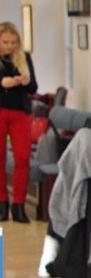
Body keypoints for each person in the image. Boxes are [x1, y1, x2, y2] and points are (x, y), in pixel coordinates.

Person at [0, 22, 37, 223]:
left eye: (13, 42)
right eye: (5, 42)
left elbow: (33, 88)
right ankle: (2, 204)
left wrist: (26, 81)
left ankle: (19, 206)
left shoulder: (24, 58)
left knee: (22, 158)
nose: (9, 46)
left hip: (21, 114)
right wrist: (2, 83)